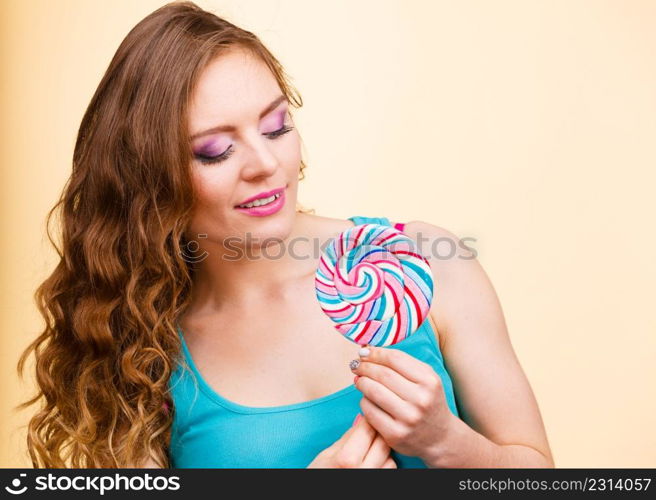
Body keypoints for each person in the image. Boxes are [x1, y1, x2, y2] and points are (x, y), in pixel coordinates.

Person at [17, 1, 554, 469]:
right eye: (215, 150)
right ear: (149, 181)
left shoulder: (426, 263)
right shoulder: (144, 353)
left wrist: (448, 443)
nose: (266, 163)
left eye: (276, 126)